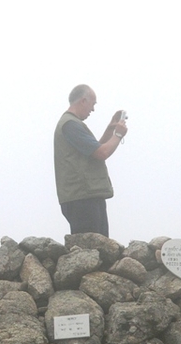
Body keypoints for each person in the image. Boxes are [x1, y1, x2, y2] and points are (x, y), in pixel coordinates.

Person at [53, 84, 128, 237]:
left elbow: (94, 150)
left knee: (99, 248)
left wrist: (110, 129)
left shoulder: (71, 124)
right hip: (82, 198)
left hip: (85, 196)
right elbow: (102, 153)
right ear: (83, 101)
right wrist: (118, 135)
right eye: (93, 104)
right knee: (90, 250)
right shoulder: (70, 125)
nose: (92, 110)